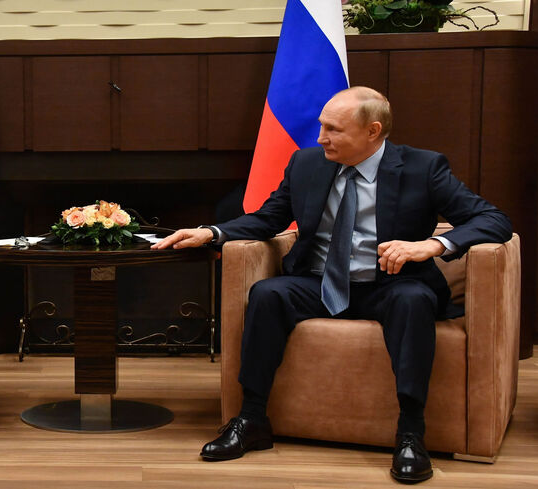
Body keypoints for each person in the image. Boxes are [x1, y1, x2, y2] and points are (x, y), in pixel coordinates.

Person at [152, 86, 511, 484]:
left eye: (333, 130)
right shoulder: (307, 164)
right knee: (268, 293)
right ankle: (252, 418)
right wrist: (211, 232)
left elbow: (493, 220)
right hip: (319, 281)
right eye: (322, 127)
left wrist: (431, 245)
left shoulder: (422, 168)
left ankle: (411, 434)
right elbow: (267, 219)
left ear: (373, 131)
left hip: (390, 283)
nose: (320, 138)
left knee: (414, 302)